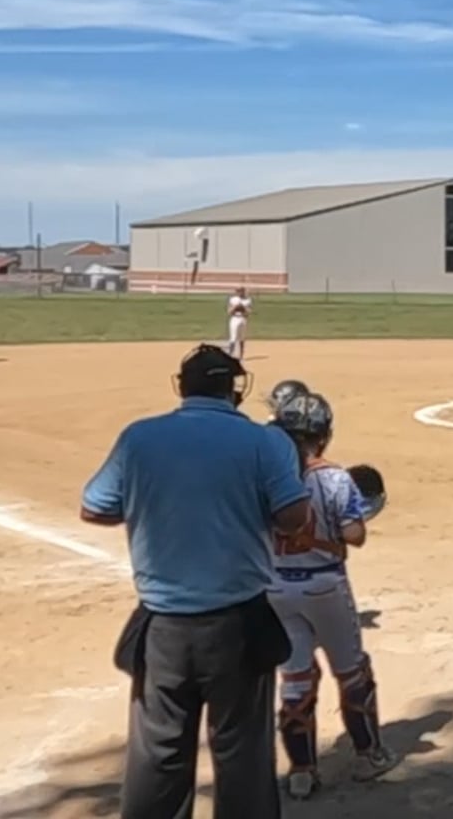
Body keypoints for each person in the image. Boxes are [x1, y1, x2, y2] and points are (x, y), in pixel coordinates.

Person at [80, 344, 311, 819]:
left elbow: (94, 507)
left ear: (182, 387)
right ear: (234, 389)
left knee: (158, 753)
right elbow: (293, 517)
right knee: (242, 754)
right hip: (239, 624)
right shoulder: (263, 442)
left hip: (162, 624)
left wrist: (151, 503)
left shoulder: (139, 438)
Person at [268, 392, 399, 800]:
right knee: (352, 670)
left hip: (274, 587)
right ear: (324, 435)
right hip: (325, 585)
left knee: (295, 677)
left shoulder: (261, 476)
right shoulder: (336, 479)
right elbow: (353, 535)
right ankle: (368, 755)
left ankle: (301, 771)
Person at [227, 287, 252, 361]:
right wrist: (235, 307)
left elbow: (248, 312)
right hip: (234, 318)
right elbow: (229, 312)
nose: (240, 293)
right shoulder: (233, 299)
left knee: (242, 338)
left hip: (243, 319)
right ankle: (230, 355)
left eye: (241, 291)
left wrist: (243, 308)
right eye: (238, 291)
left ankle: (241, 356)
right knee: (233, 337)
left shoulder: (248, 300)